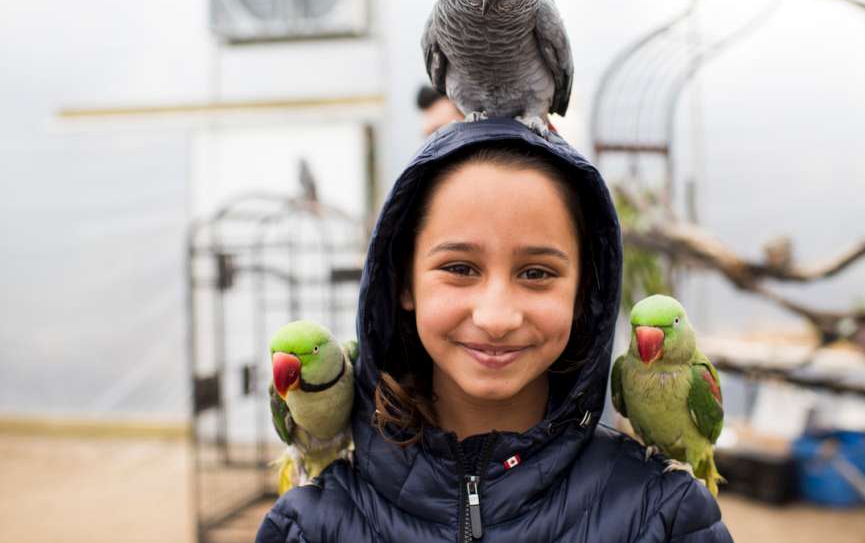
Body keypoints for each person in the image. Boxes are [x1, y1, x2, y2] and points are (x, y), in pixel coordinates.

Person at [256, 118, 732, 542]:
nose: (496, 316)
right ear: (403, 282)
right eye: (460, 268)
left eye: (536, 273)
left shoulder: (667, 515)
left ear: (584, 290)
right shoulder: (307, 526)